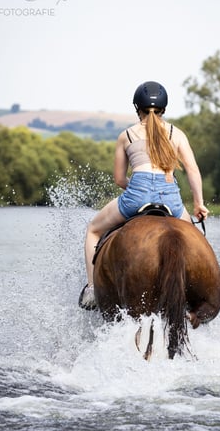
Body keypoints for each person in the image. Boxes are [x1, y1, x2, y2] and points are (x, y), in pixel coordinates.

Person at [79, 80, 209, 310]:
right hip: (171, 198)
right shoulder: (176, 134)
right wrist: (199, 204)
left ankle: (91, 290)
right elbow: (192, 169)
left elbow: (119, 179)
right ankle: (196, 294)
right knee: (194, 241)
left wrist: (136, 189)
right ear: (164, 110)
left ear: (136, 108)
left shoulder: (126, 135)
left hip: (136, 195)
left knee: (93, 229)